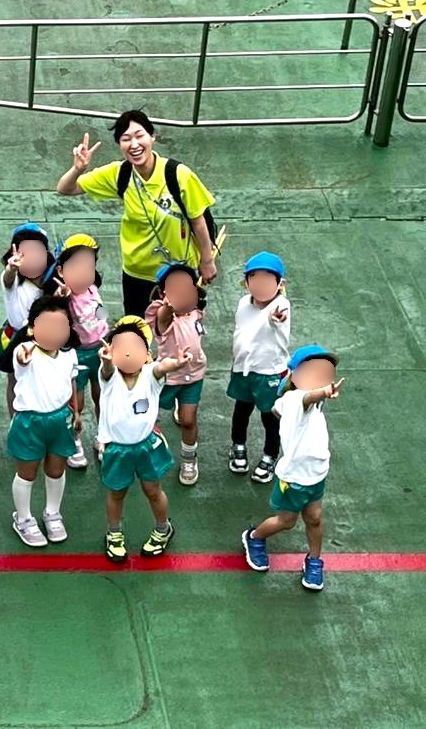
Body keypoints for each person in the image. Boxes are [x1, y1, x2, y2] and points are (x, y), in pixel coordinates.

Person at [56, 110, 217, 317]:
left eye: (140, 135)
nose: (134, 144)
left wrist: (206, 261)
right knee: (137, 331)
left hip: (178, 271)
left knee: (181, 331)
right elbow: (65, 188)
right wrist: (78, 168)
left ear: (152, 136)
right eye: (126, 139)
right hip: (136, 273)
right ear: (119, 144)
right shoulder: (119, 174)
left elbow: (198, 221)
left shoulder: (178, 175)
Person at [243, 345, 343, 592]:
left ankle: (314, 560)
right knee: (286, 521)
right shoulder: (298, 399)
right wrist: (324, 391)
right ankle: (254, 537)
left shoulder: (292, 401)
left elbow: (276, 410)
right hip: (295, 477)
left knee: (314, 518)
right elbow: (306, 399)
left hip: (317, 473)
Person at [97, 317, 192, 563]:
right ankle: (114, 533)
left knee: (152, 490)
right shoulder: (109, 378)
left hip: (146, 446)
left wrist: (177, 363)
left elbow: (163, 367)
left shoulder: (151, 374)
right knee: (116, 493)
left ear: (147, 354)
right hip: (117, 449)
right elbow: (106, 370)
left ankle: (163, 528)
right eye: (121, 347)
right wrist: (106, 362)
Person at [7, 296, 80, 548]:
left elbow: (71, 383)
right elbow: (21, 359)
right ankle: (23, 519)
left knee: (56, 470)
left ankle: (52, 513)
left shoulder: (70, 355)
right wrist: (23, 356)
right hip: (30, 421)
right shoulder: (25, 351)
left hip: (60, 419)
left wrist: (76, 413)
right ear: (32, 328)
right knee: (27, 473)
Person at [229, 252, 290, 482]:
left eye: (267, 279)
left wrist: (274, 318)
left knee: (270, 417)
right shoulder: (244, 303)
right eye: (255, 278)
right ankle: (238, 446)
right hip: (243, 369)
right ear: (246, 283)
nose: (261, 284)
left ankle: (270, 455)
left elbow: (274, 318)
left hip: (269, 374)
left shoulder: (281, 305)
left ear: (280, 284)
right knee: (241, 411)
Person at [145, 263, 208, 486]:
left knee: (188, 420)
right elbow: (164, 317)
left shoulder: (196, 311)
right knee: (148, 416)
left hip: (193, 375)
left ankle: (189, 459)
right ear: (163, 293)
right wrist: (168, 306)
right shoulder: (161, 314)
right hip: (167, 377)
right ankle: (144, 449)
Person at [53, 233, 107, 470]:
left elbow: (101, 314)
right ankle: (74, 441)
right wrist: (61, 296)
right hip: (77, 354)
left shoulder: (92, 289)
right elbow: (57, 305)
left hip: (101, 350)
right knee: (77, 401)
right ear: (61, 271)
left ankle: (103, 435)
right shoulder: (66, 296)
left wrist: (107, 331)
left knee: (102, 395)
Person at [0, 223, 56, 416]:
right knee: (14, 380)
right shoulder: (13, 280)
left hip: (45, 338)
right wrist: (11, 268)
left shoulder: (53, 281)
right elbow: (7, 278)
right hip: (16, 337)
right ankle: (14, 420)